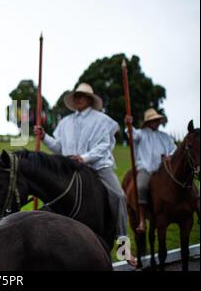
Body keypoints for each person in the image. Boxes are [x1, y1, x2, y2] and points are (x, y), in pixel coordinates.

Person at [34, 83, 136, 266]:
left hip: (98, 166)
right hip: (70, 167)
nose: (78, 98)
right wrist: (44, 137)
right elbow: (58, 147)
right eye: (76, 96)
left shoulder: (102, 120)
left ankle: (123, 246)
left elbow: (104, 146)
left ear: (89, 99)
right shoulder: (65, 122)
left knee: (119, 196)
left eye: (81, 96)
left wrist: (85, 158)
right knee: (52, 197)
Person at [124, 108, 178, 233]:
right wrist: (129, 124)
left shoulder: (165, 136)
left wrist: (170, 156)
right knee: (141, 186)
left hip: (164, 170)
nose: (156, 122)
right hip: (146, 168)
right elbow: (132, 134)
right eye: (153, 120)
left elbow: (174, 148)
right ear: (147, 122)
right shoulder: (141, 133)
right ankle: (142, 219)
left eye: (157, 120)